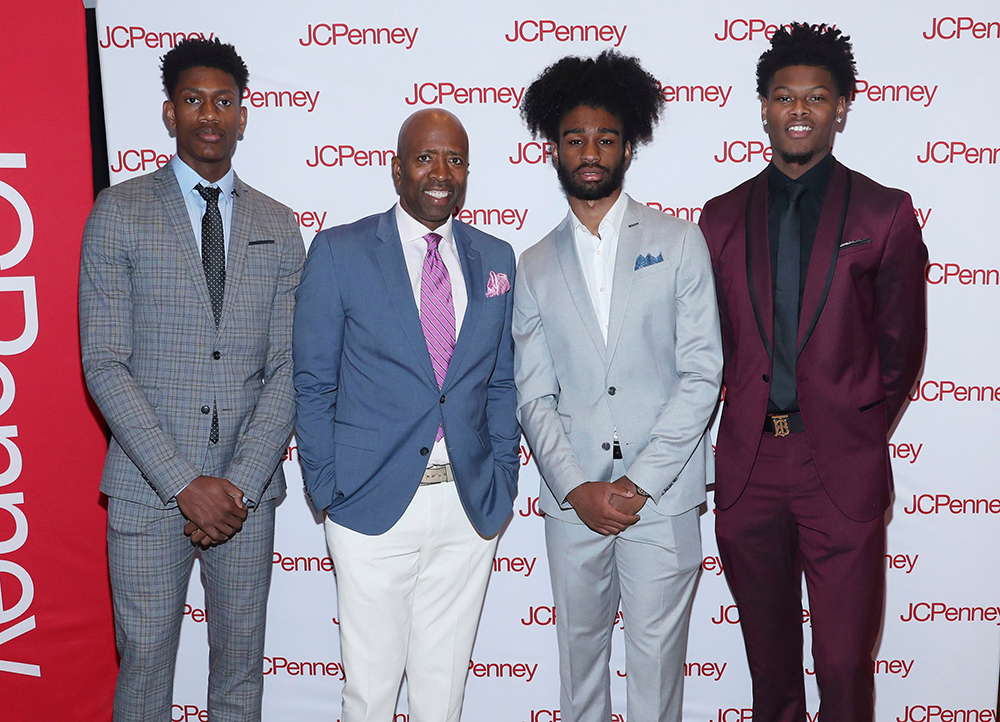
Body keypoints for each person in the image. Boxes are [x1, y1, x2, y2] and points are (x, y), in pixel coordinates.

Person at [698, 23, 927, 720]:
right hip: (749, 466)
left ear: (842, 108)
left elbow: (902, 349)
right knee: (770, 674)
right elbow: (718, 347)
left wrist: (851, 425)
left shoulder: (885, 213)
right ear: (763, 108)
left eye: (817, 97)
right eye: (784, 96)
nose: (799, 109)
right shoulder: (720, 218)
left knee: (843, 668)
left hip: (842, 466)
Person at [80, 38, 305, 721]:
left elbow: (289, 367)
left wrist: (233, 484)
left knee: (240, 674)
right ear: (169, 113)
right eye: (193, 100)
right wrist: (183, 482)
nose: (210, 114)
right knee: (145, 668)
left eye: (225, 101)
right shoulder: (119, 212)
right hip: (149, 492)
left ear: (243, 114)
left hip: (247, 492)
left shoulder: (279, 223)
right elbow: (103, 362)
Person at [512, 51, 723, 722]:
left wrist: (638, 484)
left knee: (658, 676)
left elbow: (702, 374)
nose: (590, 151)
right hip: (574, 504)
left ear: (628, 145)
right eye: (575, 139)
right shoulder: (535, 264)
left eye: (605, 137)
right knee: (580, 674)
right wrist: (578, 486)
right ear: (554, 150)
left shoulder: (680, 242)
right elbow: (533, 395)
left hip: (660, 502)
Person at [293, 108, 519, 722]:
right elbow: (313, 382)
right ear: (397, 170)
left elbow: (501, 381)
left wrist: (502, 477)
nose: (440, 172)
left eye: (454, 160)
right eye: (425, 158)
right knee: (368, 695)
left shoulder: (497, 258)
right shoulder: (340, 251)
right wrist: (327, 488)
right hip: (369, 505)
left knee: (442, 698)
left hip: (468, 508)